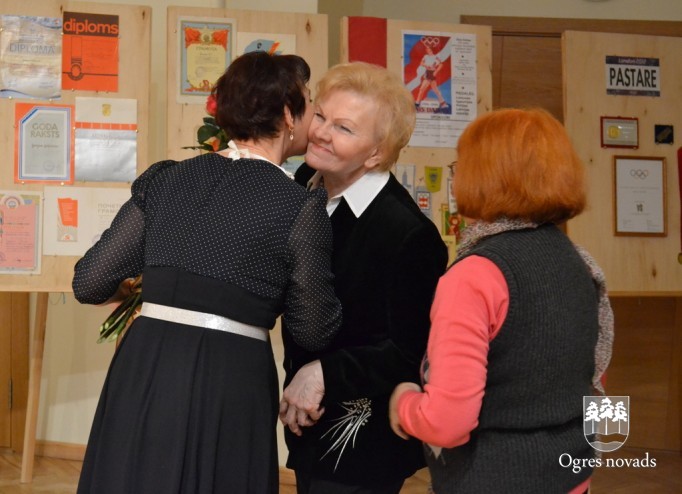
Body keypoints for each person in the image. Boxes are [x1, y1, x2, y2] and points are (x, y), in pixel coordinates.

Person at [72, 51, 342, 494]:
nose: (314, 112)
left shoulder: (166, 179)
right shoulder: (298, 206)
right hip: (230, 375)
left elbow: (89, 282)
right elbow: (313, 330)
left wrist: (155, 292)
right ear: (288, 115)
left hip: (144, 362)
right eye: (310, 101)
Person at [389, 108, 614, 493]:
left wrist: (405, 404)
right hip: (572, 475)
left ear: (483, 176)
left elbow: (447, 422)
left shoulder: (475, 276)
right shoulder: (580, 263)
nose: (456, 178)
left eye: (461, 166)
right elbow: (592, 377)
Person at [279, 62, 449, 493]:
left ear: (376, 153)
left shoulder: (408, 234)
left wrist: (324, 373)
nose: (320, 133)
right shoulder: (306, 184)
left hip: (362, 443)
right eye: (321, 116)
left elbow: (410, 350)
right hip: (307, 427)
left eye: (344, 128)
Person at [414, 43, 449, 113]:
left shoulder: (436, 57)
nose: (428, 51)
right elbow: (421, 63)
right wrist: (426, 65)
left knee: (422, 89)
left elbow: (441, 65)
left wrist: (435, 72)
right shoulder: (425, 56)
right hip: (427, 72)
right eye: (427, 50)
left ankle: (417, 103)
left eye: (429, 50)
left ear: (432, 50)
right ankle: (443, 104)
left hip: (431, 73)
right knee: (435, 90)